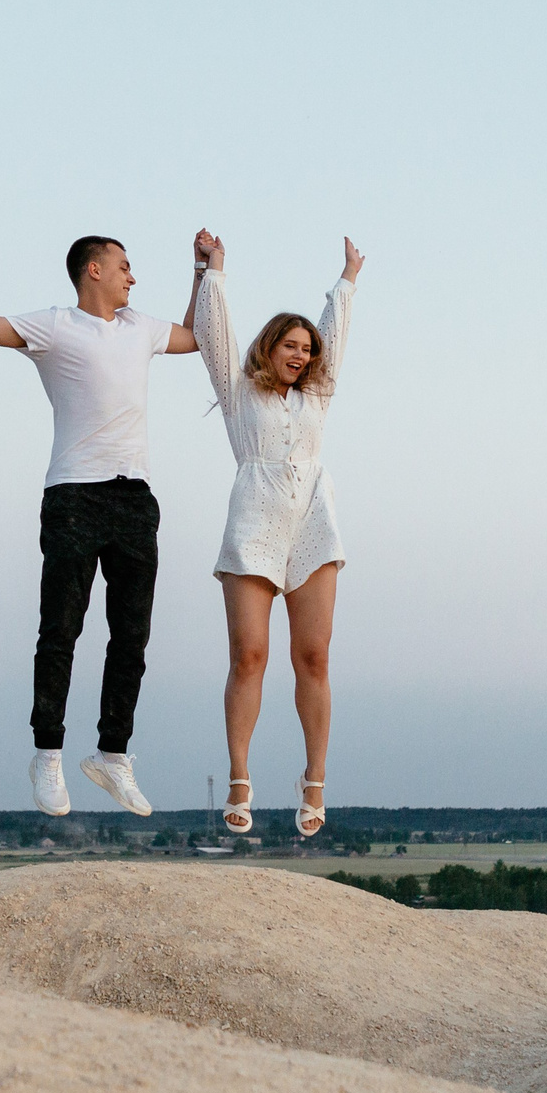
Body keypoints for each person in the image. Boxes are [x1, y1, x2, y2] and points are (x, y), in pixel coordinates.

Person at [0, 236, 205, 818]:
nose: (132, 278)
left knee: (132, 637)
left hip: (135, 498)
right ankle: (48, 755)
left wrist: (203, 271)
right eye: (124, 267)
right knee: (60, 631)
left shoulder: (141, 328)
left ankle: (113, 756)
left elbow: (197, 337)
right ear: (94, 270)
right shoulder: (55, 327)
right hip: (72, 497)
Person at [184, 232, 363, 837]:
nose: (302, 355)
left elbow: (336, 337)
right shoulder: (239, 390)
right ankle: (240, 779)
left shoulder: (319, 393)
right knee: (249, 657)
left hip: (312, 520)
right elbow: (215, 332)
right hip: (255, 520)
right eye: (291, 345)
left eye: (307, 349)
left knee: (313, 657)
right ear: (270, 347)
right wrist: (216, 268)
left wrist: (347, 280)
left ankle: (314, 782)